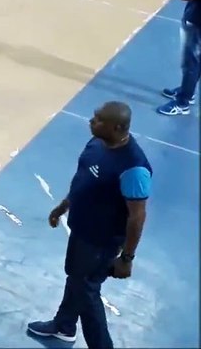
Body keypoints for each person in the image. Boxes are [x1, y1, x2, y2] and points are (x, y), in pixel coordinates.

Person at [27, 101, 150, 348]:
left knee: (87, 291)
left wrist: (127, 257)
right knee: (76, 278)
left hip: (101, 241)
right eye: (94, 116)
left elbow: (137, 216)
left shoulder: (134, 168)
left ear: (116, 128)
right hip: (82, 229)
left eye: (99, 119)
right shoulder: (97, 142)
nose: (92, 121)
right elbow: (83, 179)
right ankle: (64, 326)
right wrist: (63, 206)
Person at [158, 0, 200, 116]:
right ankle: (187, 91)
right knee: (195, 61)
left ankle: (183, 103)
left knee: (191, 63)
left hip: (197, 22)